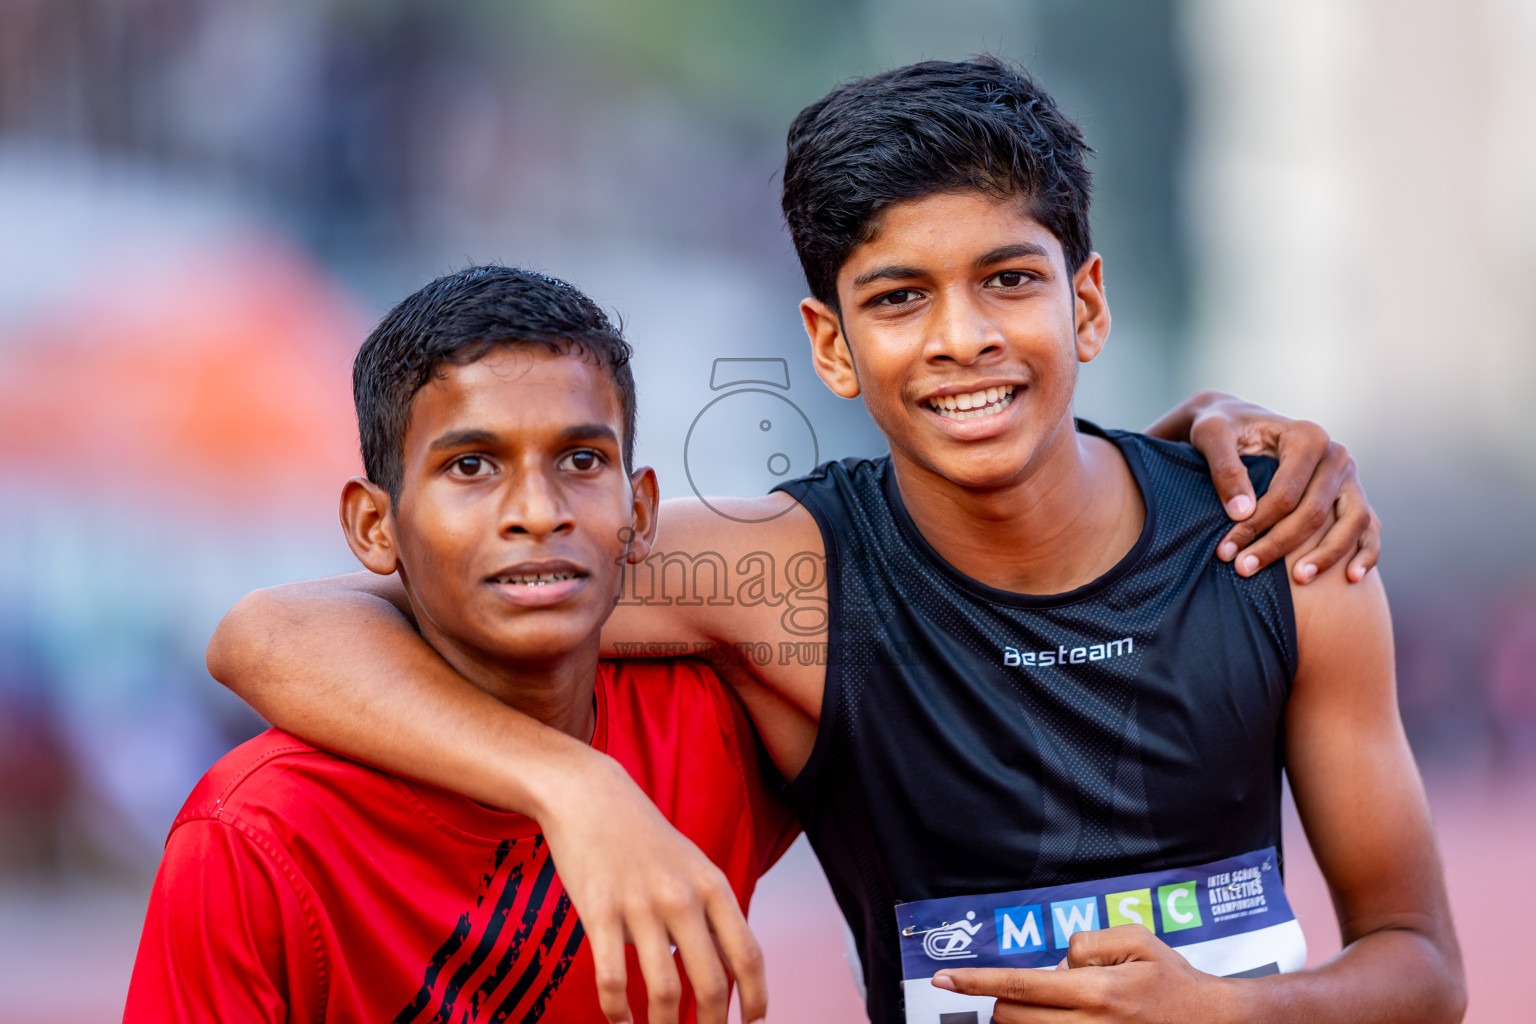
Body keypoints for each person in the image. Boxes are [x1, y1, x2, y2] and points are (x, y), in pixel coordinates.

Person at [203, 59, 1449, 1024]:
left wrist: (1226, 1013)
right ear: (832, 344)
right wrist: (577, 791)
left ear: (1088, 302)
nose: (961, 337)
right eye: (900, 298)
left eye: (1009, 280)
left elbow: (1423, 965)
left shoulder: (1276, 540)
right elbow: (271, 629)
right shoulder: (789, 579)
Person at [125, 268, 796, 1024]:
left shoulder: (721, 729)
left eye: (581, 461)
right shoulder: (256, 835)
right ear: (374, 528)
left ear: (639, 510)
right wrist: (577, 785)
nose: (538, 513)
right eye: (471, 466)